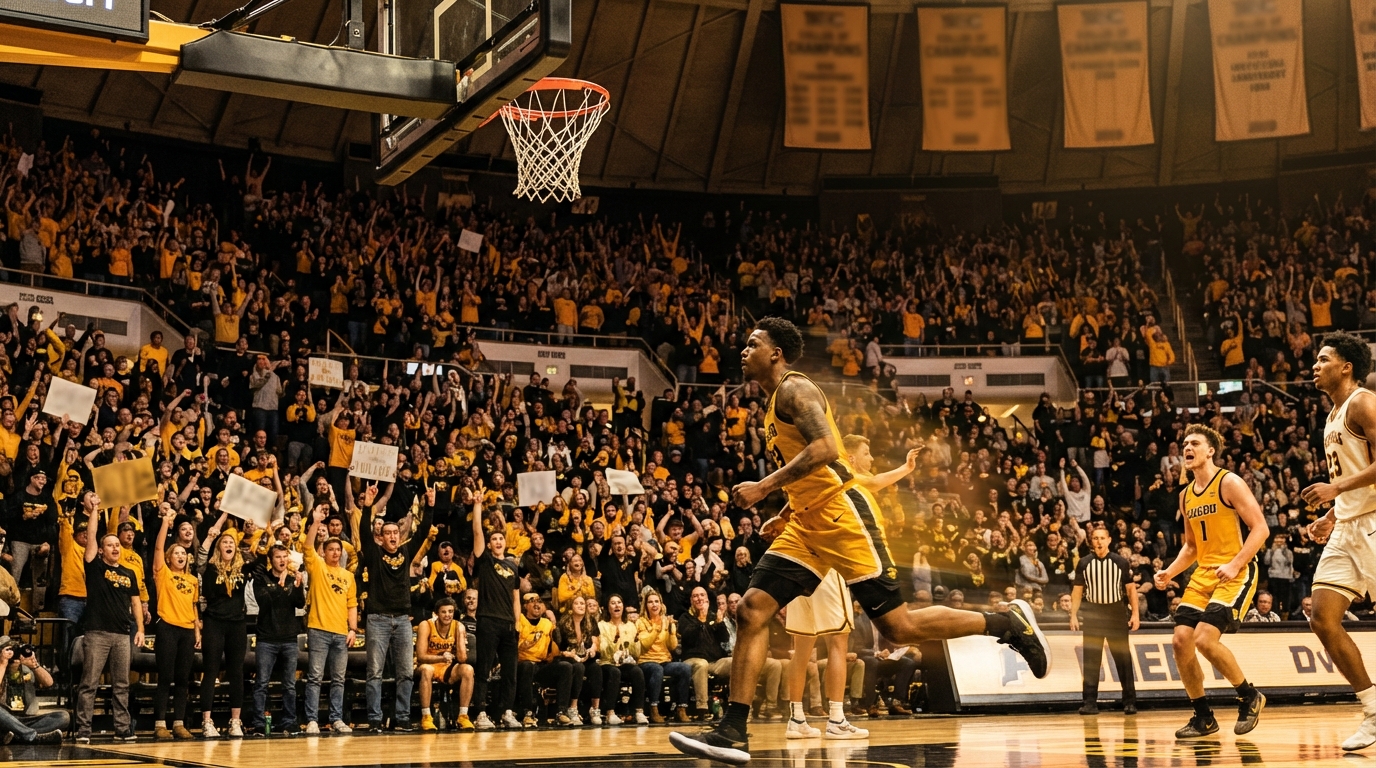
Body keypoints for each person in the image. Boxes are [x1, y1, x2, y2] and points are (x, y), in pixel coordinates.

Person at [671, 318, 1050, 765]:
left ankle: (1005, 622)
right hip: (807, 523)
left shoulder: (796, 389)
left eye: (752, 344)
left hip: (844, 515)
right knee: (752, 607)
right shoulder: (777, 401)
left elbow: (829, 451)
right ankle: (733, 729)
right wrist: (788, 510)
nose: (743, 350)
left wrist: (765, 486)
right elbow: (812, 470)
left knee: (898, 629)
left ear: (775, 353)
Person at [1153, 424, 1268, 740]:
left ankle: (1248, 695)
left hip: (1236, 571)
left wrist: (1234, 563)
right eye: (1184, 443)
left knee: (1204, 639)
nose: (1186, 448)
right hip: (1203, 574)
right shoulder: (1186, 495)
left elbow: (1260, 529)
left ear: (1210, 450)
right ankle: (1203, 717)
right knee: (1180, 641)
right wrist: (1169, 572)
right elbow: (1190, 546)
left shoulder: (1228, 482)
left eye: (1194, 443)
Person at [1299, 333, 1376, 751]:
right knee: (1323, 618)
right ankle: (1373, 710)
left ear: (1346, 366)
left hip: (1374, 524)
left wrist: (1335, 490)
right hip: (1347, 526)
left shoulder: (1363, 402)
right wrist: (1332, 512)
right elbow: (1354, 474)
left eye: (1323, 359)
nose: (1315, 365)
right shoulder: (1331, 416)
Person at [356, 481, 431, 732]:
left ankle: (402, 718)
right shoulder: (374, 553)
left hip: (402, 620)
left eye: (395, 532)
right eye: (387, 533)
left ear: (399, 535)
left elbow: (423, 532)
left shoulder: (407, 552)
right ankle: (375, 720)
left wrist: (429, 505)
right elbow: (363, 532)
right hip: (376, 619)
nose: (392, 536)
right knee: (375, 673)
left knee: (406, 673)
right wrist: (368, 505)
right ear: (381, 536)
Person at [75, 492, 143, 744]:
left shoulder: (130, 572)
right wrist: (94, 510)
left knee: (122, 685)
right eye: (110, 544)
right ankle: (83, 730)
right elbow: (91, 537)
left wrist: (141, 629)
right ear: (101, 550)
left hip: (122, 634)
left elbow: (136, 601)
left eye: (117, 544)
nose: (115, 547)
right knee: (89, 683)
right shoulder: (95, 565)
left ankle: (122, 729)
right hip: (96, 633)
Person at [302, 503, 359, 736]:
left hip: (340, 632)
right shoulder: (317, 566)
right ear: (324, 552)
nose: (335, 552)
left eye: (338, 549)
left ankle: (336, 719)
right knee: (315, 678)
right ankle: (312, 720)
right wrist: (315, 523)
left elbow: (352, 604)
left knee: (338, 679)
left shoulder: (348, 576)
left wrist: (353, 629)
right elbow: (307, 546)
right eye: (331, 549)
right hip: (318, 630)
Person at [1070, 527, 1139, 715]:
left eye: (1102, 538)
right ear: (1091, 542)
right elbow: (1077, 591)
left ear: (1109, 540)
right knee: (1091, 659)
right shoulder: (1084, 563)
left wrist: (1135, 615)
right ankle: (1090, 702)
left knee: (1123, 658)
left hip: (1115, 612)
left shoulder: (1120, 562)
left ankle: (1129, 701)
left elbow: (1131, 590)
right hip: (1093, 612)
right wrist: (1073, 615)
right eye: (1095, 538)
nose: (1099, 541)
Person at [469, 489, 522, 731]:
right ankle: (481, 712)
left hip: (508, 624)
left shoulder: (512, 565)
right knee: (484, 669)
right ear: (489, 545)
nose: (498, 542)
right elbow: (477, 531)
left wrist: (518, 621)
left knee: (510, 673)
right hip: (488, 621)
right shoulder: (486, 562)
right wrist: (478, 505)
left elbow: (516, 595)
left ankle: (506, 712)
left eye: (501, 539)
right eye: (494, 539)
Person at [197, 510, 249, 738]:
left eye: (231, 542)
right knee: (211, 671)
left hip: (237, 624)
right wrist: (210, 537)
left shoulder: (243, 569)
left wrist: (253, 532)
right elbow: (200, 556)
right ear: (219, 548)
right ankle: (207, 722)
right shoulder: (209, 568)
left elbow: (261, 558)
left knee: (236, 672)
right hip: (214, 623)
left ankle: (235, 721)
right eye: (224, 542)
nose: (228, 545)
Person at [247, 536, 307, 737]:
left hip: (289, 638)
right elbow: (265, 601)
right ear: (271, 560)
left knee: (289, 684)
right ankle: (258, 723)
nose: (282, 560)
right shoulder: (260, 579)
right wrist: (281, 586)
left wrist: (297, 587)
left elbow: (299, 604)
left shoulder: (292, 579)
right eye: (278, 557)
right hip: (266, 638)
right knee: (261, 683)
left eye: (284, 557)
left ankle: (289, 721)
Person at [152, 504, 200, 741]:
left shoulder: (192, 579)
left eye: (183, 554)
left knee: (183, 678)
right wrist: (165, 523)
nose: (180, 556)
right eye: (176, 553)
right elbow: (159, 546)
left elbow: (193, 605)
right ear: (169, 557)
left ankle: (179, 723)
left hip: (187, 630)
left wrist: (197, 628)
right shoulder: (163, 573)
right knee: (165, 676)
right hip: (167, 627)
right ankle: (160, 723)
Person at [515, 593, 576, 726]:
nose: (537, 604)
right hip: (521, 665)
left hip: (541, 666)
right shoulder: (519, 620)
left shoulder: (547, 623)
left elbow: (557, 645)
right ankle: (528, 713)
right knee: (527, 666)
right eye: (532, 601)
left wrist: (554, 622)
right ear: (524, 606)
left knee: (566, 666)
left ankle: (561, 712)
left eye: (539, 601)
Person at [417, 597, 475, 732]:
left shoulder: (457, 626)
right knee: (426, 670)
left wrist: (460, 633)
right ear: (436, 613)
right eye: (444, 612)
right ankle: (426, 717)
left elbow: (462, 658)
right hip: (428, 664)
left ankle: (463, 716)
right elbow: (421, 656)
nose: (447, 615)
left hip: (447, 667)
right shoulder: (426, 625)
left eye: (450, 612)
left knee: (468, 669)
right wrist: (440, 658)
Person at [0, 637, 65, 743]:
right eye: (9, 650)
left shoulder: (26, 668)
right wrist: (3, 664)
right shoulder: (0, 667)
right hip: (3, 720)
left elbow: (49, 683)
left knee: (63, 717)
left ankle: (16, 736)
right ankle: (31, 736)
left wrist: (34, 665)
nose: (13, 654)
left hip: (25, 719)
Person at [598, 593, 647, 724]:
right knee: (615, 672)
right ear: (608, 608)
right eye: (613, 603)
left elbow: (636, 653)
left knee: (637, 671)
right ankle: (610, 712)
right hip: (607, 663)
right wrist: (615, 640)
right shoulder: (602, 625)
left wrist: (637, 641)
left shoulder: (630, 626)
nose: (616, 605)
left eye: (619, 602)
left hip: (624, 663)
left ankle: (639, 711)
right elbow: (602, 650)